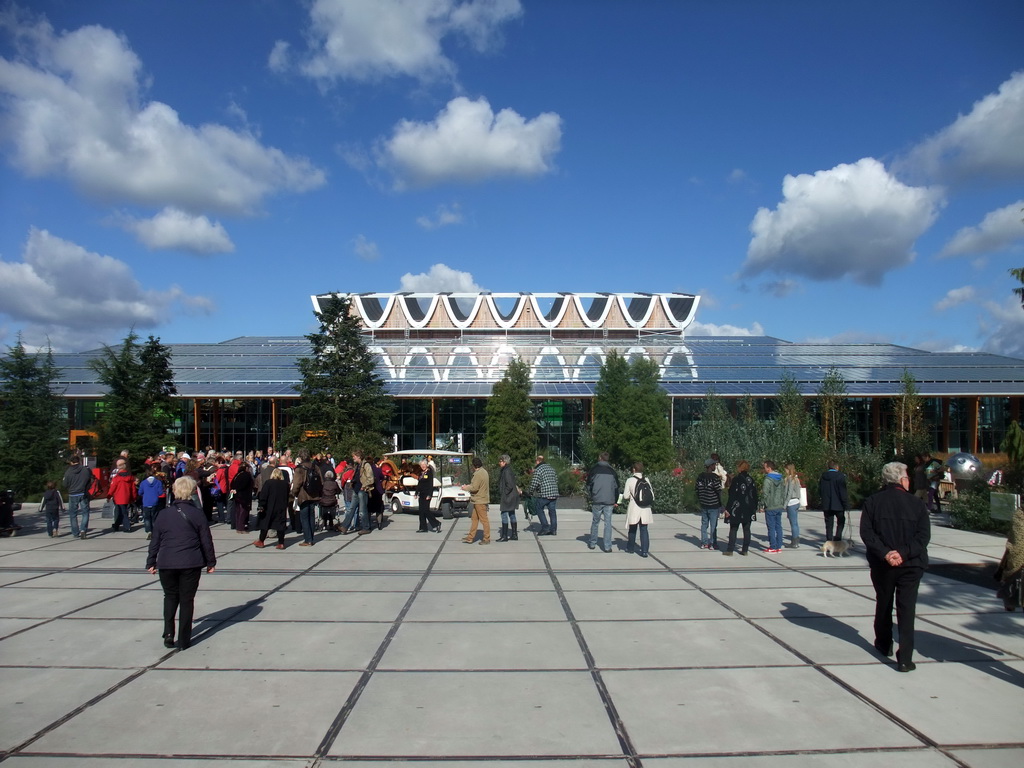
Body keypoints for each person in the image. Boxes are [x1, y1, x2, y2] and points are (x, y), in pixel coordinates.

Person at [860, 461, 930, 672]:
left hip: (884, 565)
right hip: (911, 564)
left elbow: (867, 534)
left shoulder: (873, 502)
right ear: (901, 480)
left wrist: (885, 553)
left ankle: (884, 643)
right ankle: (905, 658)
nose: (909, 481)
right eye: (907, 477)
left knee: (884, 603)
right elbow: (923, 536)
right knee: (907, 609)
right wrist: (903, 553)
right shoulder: (916, 504)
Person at [146, 476, 216, 650]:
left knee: (170, 597)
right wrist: (210, 561)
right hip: (190, 563)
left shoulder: (163, 514)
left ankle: (169, 633)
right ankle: (184, 639)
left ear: (175, 491)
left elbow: (155, 540)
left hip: (167, 562)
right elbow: (206, 540)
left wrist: (151, 561)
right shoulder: (197, 514)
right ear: (192, 492)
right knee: (186, 600)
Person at [723, 461, 757, 556]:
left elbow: (732, 495)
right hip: (749, 507)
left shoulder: (736, 479)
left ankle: (730, 550)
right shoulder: (751, 479)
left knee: (734, 528)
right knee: (747, 529)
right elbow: (755, 495)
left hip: (737, 508)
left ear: (740, 468)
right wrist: (755, 507)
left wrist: (728, 508)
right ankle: (745, 549)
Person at [587, 451, 619, 552]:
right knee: (608, 523)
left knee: (595, 522)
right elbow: (617, 487)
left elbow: (588, 484)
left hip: (597, 499)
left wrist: (592, 495)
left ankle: (592, 543)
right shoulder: (612, 471)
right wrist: (616, 499)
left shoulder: (594, 470)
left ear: (600, 458)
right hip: (609, 500)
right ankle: (607, 546)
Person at [994, 505, 1024, 611]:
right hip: (1019, 555)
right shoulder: (1019, 516)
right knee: (1015, 572)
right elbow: (1017, 542)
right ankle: (1008, 597)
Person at [291, 449, 322, 546]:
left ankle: (307, 539)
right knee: (311, 516)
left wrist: (294, 493)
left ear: (300, 457)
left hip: (303, 495)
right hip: (314, 494)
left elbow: (296, 484)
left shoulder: (299, 468)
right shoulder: (315, 466)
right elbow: (321, 480)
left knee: (304, 517)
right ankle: (311, 538)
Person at [622, 462, 653, 557]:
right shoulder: (646, 479)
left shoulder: (630, 480)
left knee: (633, 528)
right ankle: (644, 551)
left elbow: (626, 496)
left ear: (634, 469)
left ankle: (630, 548)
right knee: (644, 529)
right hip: (645, 508)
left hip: (635, 507)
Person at [255, 467, 290, 549]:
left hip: (269, 506)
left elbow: (263, 495)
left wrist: (261, 504)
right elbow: (287, 495)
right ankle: (281, 543)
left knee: (265, 524)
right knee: (280, 525)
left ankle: (261, 541)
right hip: (281, 506)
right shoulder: (285, 484)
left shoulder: (269, 483)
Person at [461, 457, 491, 545]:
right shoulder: (484, 472)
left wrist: (465, 488)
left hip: (479, 500)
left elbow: (474, 488)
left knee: (484, 520)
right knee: (474, 519)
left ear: (474, 465)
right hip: (479, 499)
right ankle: (470, 537)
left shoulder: (478, 474)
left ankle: (486, 538)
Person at [62, 455, 93, 539]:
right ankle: (83, 530)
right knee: (85, 512)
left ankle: (75, 532)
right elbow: (90, 481)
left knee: (73, 514)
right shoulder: (85, 470)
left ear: (71, 462)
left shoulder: (68, 471)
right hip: (83, 493)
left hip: (72, 494)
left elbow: (65, 484)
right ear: (79, 461)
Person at [695, 458, 723, 550]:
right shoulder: (714, 478)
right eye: (714, 465)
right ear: (711, 466)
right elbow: (718, 491)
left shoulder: (700, 477)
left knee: (704, 524)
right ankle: (712, 543)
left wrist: (701, 499)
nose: (715, 466)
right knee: (713, 526)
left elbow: (697, 490)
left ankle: (704, 543)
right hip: (714, 505)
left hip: (704, 504)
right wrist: (721, 504)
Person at [527, 455, 559, 536]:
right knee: (552, 511)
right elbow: (556, 480)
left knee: (539, 508)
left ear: (538, 461)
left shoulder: (539, 470)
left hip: (545, 494)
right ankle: (553, 529)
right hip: (554, 493)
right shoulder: (551, 468)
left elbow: (534, 482)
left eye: (536, 461)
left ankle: (545, 528)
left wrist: (530, 492)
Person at [819, 460, 849, 542]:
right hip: (838, 504)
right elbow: (843, 491)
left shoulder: (823, 476)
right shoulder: (840, 476)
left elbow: (820, 490)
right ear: (837, 467)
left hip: (827, 504)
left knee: (829, 524)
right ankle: (838, 538)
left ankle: (829, 540)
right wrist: (846, 504)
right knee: (841, 521)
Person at [760, 460, 786, 553]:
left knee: (771, 527)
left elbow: (765, 493)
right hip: (779, 505)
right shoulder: (781, 478)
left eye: (765, 467)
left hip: (770, 506)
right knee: (778, 526)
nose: (764, 469)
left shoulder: (768, 479)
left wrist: (762, 504)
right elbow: (783, 491)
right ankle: (779, 546)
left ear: (769, 468)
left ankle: (773, 546)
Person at [107, 459, 136, 533]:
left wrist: (109, 496)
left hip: (119, 497)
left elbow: (112, 488)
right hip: (127, 497)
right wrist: (134, 497)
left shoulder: (117, 478)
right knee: (121, 511)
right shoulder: (130, 477)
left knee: (123, 512)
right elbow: (133, 489)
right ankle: (116, 525)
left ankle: (127, 527)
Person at [497, 454, 521, 542]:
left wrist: (504, 493)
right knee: (512, 514)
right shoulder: (508, 470)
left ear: (504, 462)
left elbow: (509, 485)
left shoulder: (506, 471)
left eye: (500, 461)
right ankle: (514, 534)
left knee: (504, 514)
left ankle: (504, 535)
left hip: (508, 496)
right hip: (512, 496)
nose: (499, 463)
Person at [139, 465, 165, 540]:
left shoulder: (143, 483)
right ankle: (155, 531)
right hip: (155, 501)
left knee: (147, 518)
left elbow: (140, 492)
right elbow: (160, 492)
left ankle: (148, 531)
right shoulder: (158, 482)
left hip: (146, 502)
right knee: (154, 517)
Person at [417, 459, 441, 533]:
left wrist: (429, 494)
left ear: (427, 465)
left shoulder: (429, 473)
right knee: (421, 511)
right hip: (421, 494)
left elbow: (431, 485)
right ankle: (423, 527)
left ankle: (436, 523)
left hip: (427, 494)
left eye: (424, 465)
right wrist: (416, 493)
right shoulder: (421, 473)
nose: (423, 466)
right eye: (421, 465)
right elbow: (419, 484)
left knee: (426, 510)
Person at [230, 461, 254, 533]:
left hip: (237, 495)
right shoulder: (246, 475)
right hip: (244, 495)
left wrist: (234, 489)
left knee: (238, 511)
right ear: (246, 468)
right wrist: (237, 489)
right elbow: (244, 485)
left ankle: (238, 526)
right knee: (243, 512)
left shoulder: (238, 474)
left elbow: (232, 483)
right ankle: (241, 528)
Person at [783, 463, 802, 548]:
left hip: (791, 502)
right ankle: (796, 540)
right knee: (795, 523)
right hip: (797, 501)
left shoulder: (790, 479)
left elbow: (789, 492)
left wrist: (785, 503)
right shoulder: (796, 479)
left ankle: (794, 542)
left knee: (793, 523)